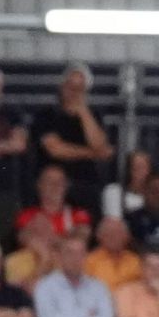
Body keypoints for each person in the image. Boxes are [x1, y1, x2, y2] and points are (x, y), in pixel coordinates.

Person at [31, 62, 113, 214]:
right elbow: (56, 149)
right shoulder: (46, 115)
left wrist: (83, 112)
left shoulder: (94, 115)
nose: (74, 92)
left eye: (79, 87)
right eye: (71, 86)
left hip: (86, 183)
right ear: (62, 86)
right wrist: (93, 153)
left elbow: (99, 144)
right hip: (53, 184)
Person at [33, 235, 114, 317]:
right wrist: (87, 314)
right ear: (59, 256)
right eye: (70, 253)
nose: (76, 259)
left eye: (80, 253)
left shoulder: (99, 287)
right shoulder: (45, 286)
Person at [0, 66, 30, 243]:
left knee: (6, 240)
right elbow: (12, 144)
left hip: (6, 190)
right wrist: (4, 146)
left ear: (1, 86)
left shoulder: (14, 112)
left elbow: (20, 144)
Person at [18, 164, 91, 242]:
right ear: (39, 185)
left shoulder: (79, 214)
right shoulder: (28, 215)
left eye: (60, 181)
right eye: (49, 181)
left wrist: (48, 238)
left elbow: (80, 239)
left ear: (66, 186)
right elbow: (26, 239)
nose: (55, 185)